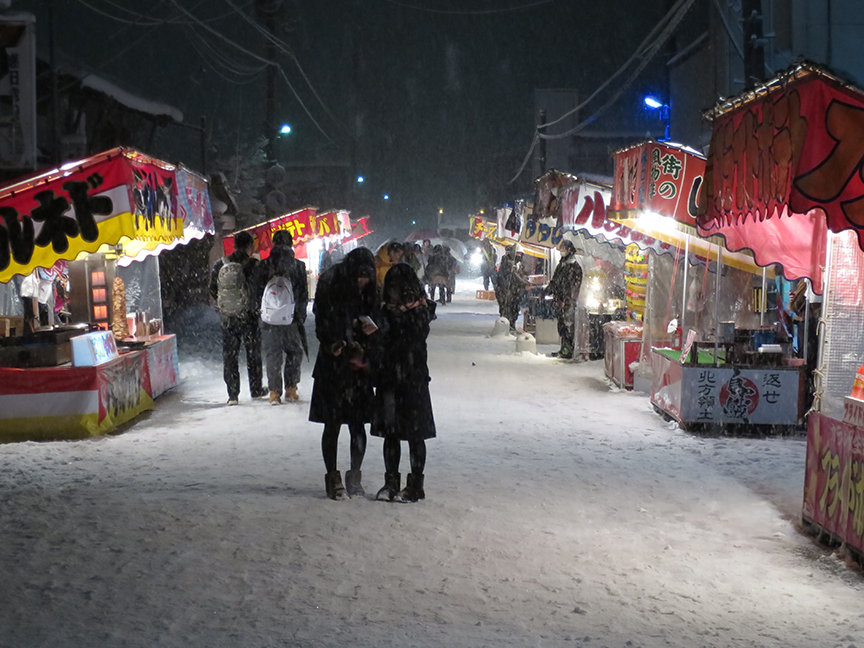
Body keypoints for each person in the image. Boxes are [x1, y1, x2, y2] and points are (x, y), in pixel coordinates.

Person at [309, 247, 381, 500]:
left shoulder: (370, 290)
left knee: (358, 423)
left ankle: (355, 476)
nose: (363, 281)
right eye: (359, 277)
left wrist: (367, 339)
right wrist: (334, 342)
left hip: (357, 366)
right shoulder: (331, 282)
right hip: (333, 366)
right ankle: (333, 478)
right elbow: (321, 322)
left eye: (367, 277)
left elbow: (377, 320)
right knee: (333, 423)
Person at [372, 264, 436, 502]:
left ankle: (415, 484)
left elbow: (412, 337)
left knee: (415, 433)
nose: (392, 295)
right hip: (389, 376)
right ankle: (391, 481)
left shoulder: (419, 309)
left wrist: (387, 328)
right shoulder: (386, 311)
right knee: (391, 432)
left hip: (413, 377)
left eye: (395, 289)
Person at [253, 230, 309, 405]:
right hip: (291, 318)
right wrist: (299, 315)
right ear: (291, 244)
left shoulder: (263, 265)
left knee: (273, 354)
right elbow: (302, 295)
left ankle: (274, 393)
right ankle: (291, 389)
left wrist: (260, 312)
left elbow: (255, 292)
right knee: (294, 351)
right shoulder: (298, 266)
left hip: (269, 319)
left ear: (274, 244)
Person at [210, 230, 265, 405]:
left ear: (233, 246)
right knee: (253, 353)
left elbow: (213, 289)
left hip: (229, 318)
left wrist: (225, 305)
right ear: (250, 246)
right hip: (249, 316)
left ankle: (233, 394)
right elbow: (261, 289)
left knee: (230, 356)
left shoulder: (221, 264)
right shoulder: (254, 265)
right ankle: (256, 390)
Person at [546, 239, 583, 359]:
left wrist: (566, 300)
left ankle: (568, 350)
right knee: (561, 325)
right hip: (560, 301)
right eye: (561, 248)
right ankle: (563, 348)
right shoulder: (562, 265)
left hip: (568, 302)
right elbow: (555, 281)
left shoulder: (574, 267)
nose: (561, 251)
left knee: (568, 325)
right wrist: (546, 292)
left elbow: (572, 288)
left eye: (564, 249)